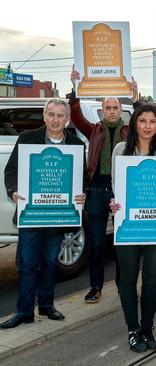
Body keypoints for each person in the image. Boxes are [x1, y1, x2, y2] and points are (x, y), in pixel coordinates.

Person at [1, 98, 87, 329]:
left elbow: (82, 180)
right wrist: (13, 190)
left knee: (50, 262)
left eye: (60, 115)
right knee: (28, 263)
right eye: (51, 114)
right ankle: (24, 311)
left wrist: (82, 194)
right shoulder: (27, 139)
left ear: (67, 118)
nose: (55, 119)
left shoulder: (76, 145)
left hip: (59, 215)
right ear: (44, 115)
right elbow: (11, 171)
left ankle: (47, 306)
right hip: (32, 214)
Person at [109, 104, 156, 352]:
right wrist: (114, 203)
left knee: (152, 279)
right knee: (128, 279)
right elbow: (116, 185)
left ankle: (147, 328)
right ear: (135, 124)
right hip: (129, 225)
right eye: (143, 121)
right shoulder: (121, 149)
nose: (147, 126)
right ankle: (132, 330)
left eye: (152, 121)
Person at [68, 67, 137, 304]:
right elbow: (75, 117)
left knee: (121, 242)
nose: (111, 111)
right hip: (97, 191)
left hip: (121, 192)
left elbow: (144, 121)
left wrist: (136, 99)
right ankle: (95, 287)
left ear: (120, 110)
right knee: (97, 243)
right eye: (107, 108)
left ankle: (122, 285)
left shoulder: (130, 131)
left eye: (115, 107)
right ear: (102, 110)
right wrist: (74, 90)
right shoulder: (94, 129)